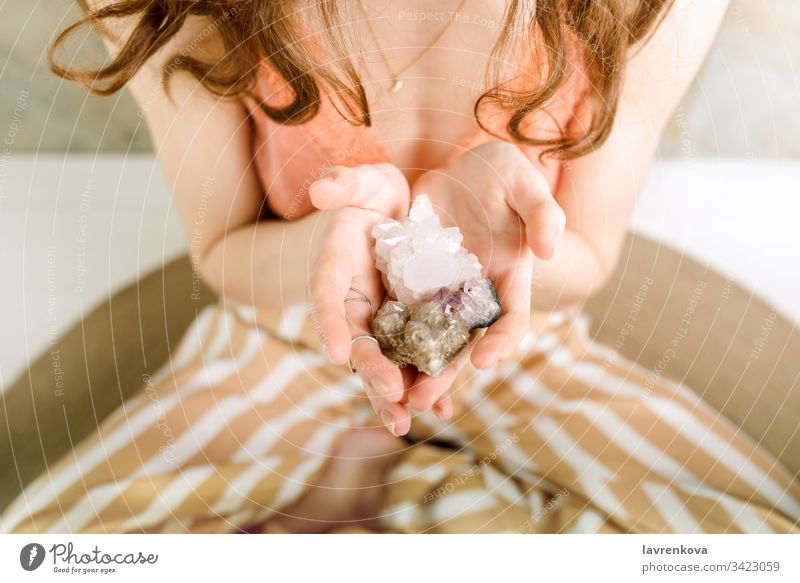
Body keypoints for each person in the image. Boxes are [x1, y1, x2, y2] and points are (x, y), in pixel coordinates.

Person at [4, 0, 798, 534]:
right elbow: (223, 250)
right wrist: (328, 240)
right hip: (284, 329)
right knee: (75, 536)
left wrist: (504, 260)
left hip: (523, 340)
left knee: (733, 533)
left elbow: (585, 257)